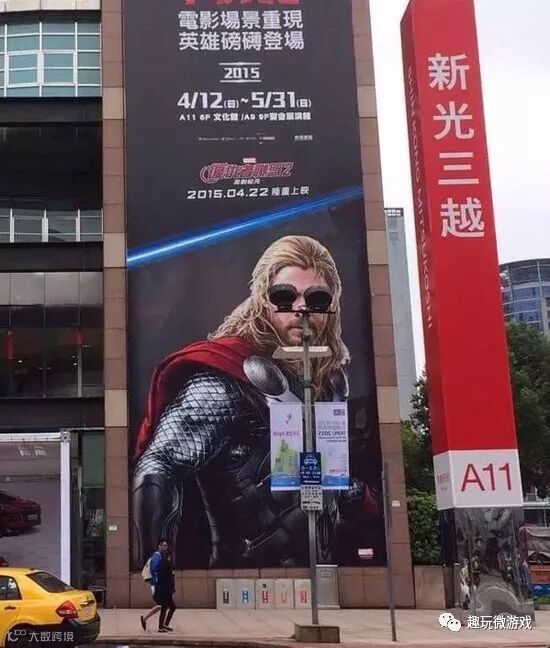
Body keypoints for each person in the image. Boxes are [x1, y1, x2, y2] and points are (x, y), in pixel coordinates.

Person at [132, 235, 381, 569]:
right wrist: (156, 571)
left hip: (319, 566)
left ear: (332, 306)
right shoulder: (223, 382)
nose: (301, 308)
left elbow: (329, 479)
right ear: (264, 300)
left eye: (317, 298)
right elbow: (157, 468)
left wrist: (352, 493)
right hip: (241, 568)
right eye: (285, 296)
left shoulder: (328, 381)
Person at [139, 538, 166, 631]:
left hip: (156, 584)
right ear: (159, 546)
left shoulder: (158, 556)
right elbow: (154, 570)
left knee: (161, 605)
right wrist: (158, 582)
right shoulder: (157, 557)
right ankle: (147, 619)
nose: (165, 547)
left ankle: (146, 619)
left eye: (166, 546)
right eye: (164, 545)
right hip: (156, 584)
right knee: (162, 605)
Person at [153, 547, 176, 632]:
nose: (170, 557)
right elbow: (164, 578)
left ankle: (164, 625)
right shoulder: (165, 564)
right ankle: (161, 627)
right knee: (165, 607)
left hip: (166, 590)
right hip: (165, 590)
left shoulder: (164, 563)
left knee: (171, 607)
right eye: (169, 556)